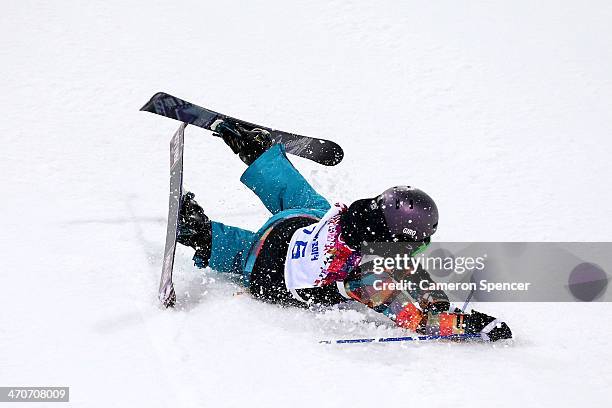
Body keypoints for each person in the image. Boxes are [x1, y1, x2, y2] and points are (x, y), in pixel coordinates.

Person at [177, 121, 512, 341]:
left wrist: (436, 300)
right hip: (273, 271)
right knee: (250, 255)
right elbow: (414, 321)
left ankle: (259, 155)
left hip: (301, 225)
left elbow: (409, 271)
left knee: (305, 200)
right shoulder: (365, 279)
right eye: (417, 246)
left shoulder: (359, 217)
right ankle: (202, 233)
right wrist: (464, 324)